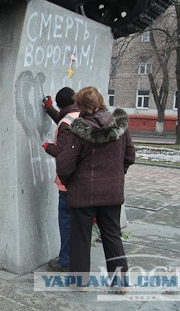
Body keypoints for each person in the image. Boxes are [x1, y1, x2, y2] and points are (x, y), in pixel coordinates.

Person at [56, 86, 135, 284]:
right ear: (100, 101)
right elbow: (130, 156)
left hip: (84, 194)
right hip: (112, 193)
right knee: (112, 235)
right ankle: (120, 282)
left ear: (81, 105)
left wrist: (70, 183)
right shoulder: (120, 127)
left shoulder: (79, 130)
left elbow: (65, 165)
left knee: (80, 238)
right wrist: (116, 175)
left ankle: (79, 282)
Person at [41, 87, 80, 272]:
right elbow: (64, 122)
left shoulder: (66, 121)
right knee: (77, 223)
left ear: (60, 104)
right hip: (82, 180)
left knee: (65, 221)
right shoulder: (80, 115)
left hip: (67, 182)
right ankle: (77, 258)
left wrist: (48, 147)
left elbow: (63, 153)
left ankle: (65, 261)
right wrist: (50, 110)